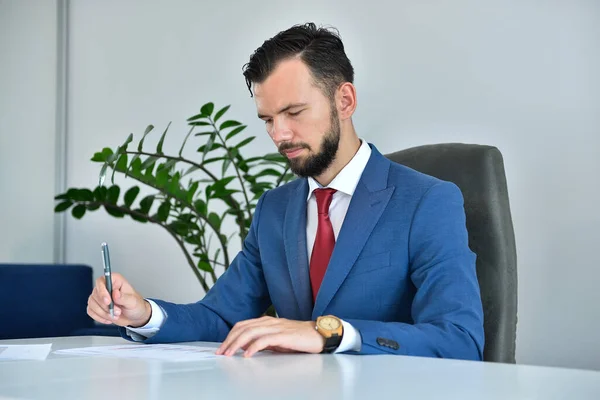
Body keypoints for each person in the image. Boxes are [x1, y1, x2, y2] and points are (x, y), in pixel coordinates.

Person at [87, 22, 484, 359]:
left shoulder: (427, 201)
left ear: (344, 100)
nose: (280, 134)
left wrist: (329, 333)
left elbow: (460, 340)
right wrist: (142, 314)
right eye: (268, 119)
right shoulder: (275, 210)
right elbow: (221, 317)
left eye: (294, 113)